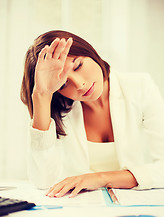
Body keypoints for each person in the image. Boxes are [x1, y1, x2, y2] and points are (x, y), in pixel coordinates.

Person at [21, 30, 164, 198]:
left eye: (78, 66)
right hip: (83, 207)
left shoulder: (140, 87)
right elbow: (42, 181)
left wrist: (99, 178)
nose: (79, 84)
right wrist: (42, 95)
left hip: (135, 204)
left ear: (89, 52)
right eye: (63, 83)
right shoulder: (58, 109)